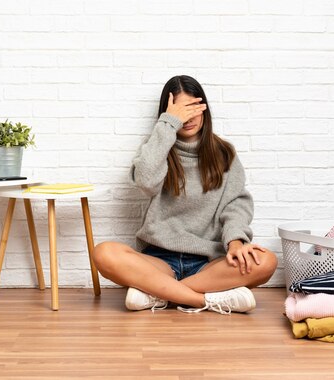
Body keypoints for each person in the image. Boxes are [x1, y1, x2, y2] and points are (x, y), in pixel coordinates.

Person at [92, 75, 277, 314]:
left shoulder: (224, 153)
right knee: (104, 253)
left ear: (204, 109)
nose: (188, 117)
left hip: (208, 264)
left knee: (267, 261)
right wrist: (168, 124)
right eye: (180, 110)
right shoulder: (157, 147)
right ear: (167, 113)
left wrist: (235, 242)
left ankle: (157, 293)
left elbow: (236, 204)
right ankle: (205, 301)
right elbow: (146, 182)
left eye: (193, 108)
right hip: (159, 260)